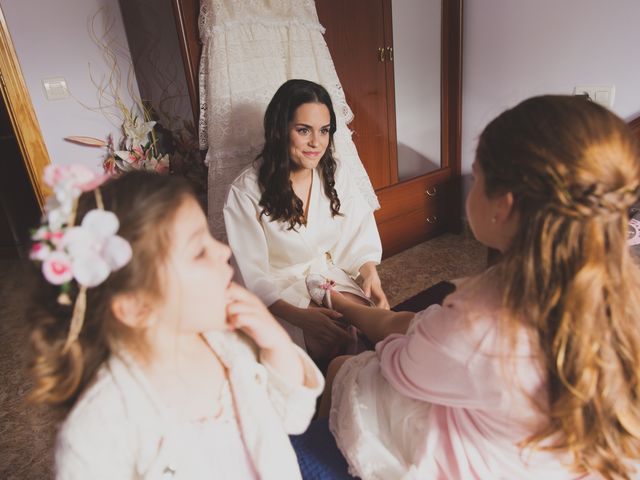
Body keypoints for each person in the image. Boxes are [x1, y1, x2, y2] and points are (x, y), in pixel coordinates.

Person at [305, 95, 640, 479]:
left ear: (504, 206)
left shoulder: (480, 318)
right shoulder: (620, 297)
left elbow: (399, 360)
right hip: (556, 456)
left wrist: (359, 312)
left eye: (477, 177)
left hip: (494, 461)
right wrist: (368, 312)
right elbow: (422, 330)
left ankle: (312, 458)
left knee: (348, 367)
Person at [27, 167, 323, 479]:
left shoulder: (231, 343)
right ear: (136, 307)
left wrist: (275, 344)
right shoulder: (98, 429)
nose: (223, 250)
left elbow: (293, 418)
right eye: (198, 251)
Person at [223, 79, 389, 364]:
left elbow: (357, 229)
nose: (317, 143)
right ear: (280, 130)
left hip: (322, 274)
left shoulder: (334, 171)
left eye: (324, 131)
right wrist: (300, 318)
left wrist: (369, 271)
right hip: (276, 294)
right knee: (333, 340)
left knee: (371, 326)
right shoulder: (245, 190)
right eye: (304, 130)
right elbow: (250, 273)